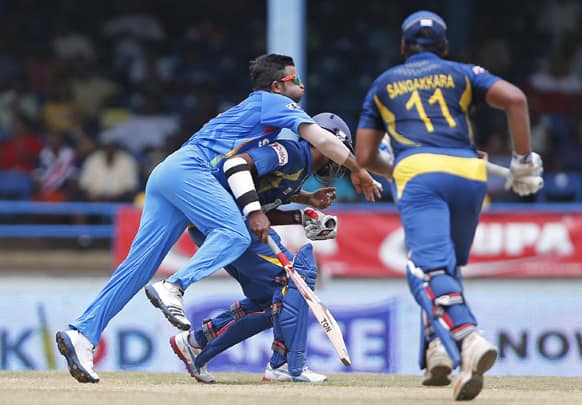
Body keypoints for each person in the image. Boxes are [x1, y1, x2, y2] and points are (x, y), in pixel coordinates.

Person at [55, 53, 381, 384]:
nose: (300, 84)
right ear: (277, 85)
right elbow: (322, 139)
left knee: (135, 269)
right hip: (192, 171)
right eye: (294, 79)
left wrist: (302, 201)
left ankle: (81, 334)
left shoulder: (261, 112)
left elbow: (258, 180)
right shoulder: (273, 102)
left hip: (170, 172)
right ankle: (174, 286)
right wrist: (359, 170)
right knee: (236, 234)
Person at [355, 11, 543, 401]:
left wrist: (400, 168)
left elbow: (365, 156)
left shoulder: (384, 83)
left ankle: (466, 337)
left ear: (404, 47)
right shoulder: (462, 72)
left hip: (420, 172)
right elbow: (516, 100)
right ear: (443, 46)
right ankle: (436, 350)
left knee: (422, 268)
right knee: (446, 267)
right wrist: (522, 160)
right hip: (470, 172)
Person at [171, 112, 354, 384]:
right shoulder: (291, 151)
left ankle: (197, 342)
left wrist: (302, 213)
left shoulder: (300, 169)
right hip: (228, 226)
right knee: (292, 282)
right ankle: (285, 365)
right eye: (339, 150)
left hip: (228, 226)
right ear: (324, 141)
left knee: (271, 302)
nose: (340, 158)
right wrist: (255, 212)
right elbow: (235, 166)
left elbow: (264, 208)